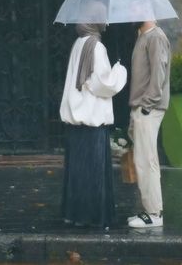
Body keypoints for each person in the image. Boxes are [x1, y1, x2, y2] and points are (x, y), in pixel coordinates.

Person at [60, 21, 127, 229]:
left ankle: (75, 215)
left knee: (78, 172)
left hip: (76, 120)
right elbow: (102, 84)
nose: (106, 22)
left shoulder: (78, 43)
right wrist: (120, 72)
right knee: (94, 172)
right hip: (92, 119)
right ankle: (94, 217)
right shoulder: (96, 47)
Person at [127, 21, 171, 228]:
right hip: (142, 107)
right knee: (142, 160)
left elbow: (158, 74)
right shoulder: (143, 36)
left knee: (147, 160)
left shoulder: (155, 37)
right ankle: (150, 210)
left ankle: (154, 213)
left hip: (148, 108)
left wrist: (146, 106)